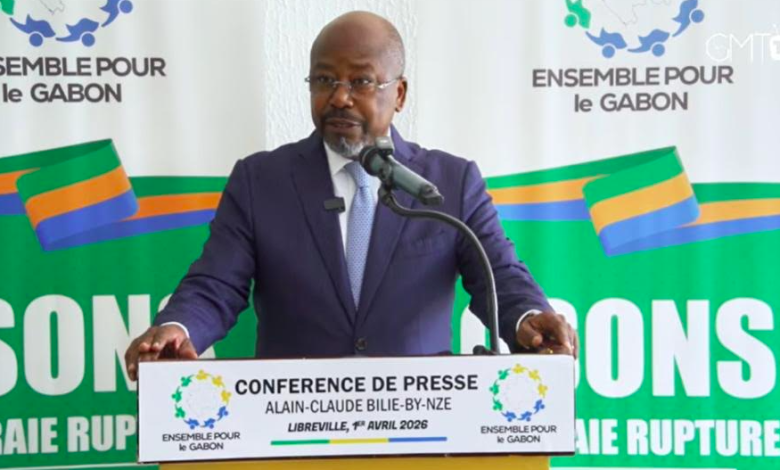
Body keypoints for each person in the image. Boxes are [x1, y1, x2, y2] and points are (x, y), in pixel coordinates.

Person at [125, 11, 577, 381]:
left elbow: (498, 274)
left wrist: (529, 318)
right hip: (292, 422)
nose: (339, 97)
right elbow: (216, 284)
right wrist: (177, 328)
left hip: (423, 423)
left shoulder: (451, 182)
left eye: (361, 82)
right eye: (324, 80)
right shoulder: (260, 181)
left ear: (399, 94)